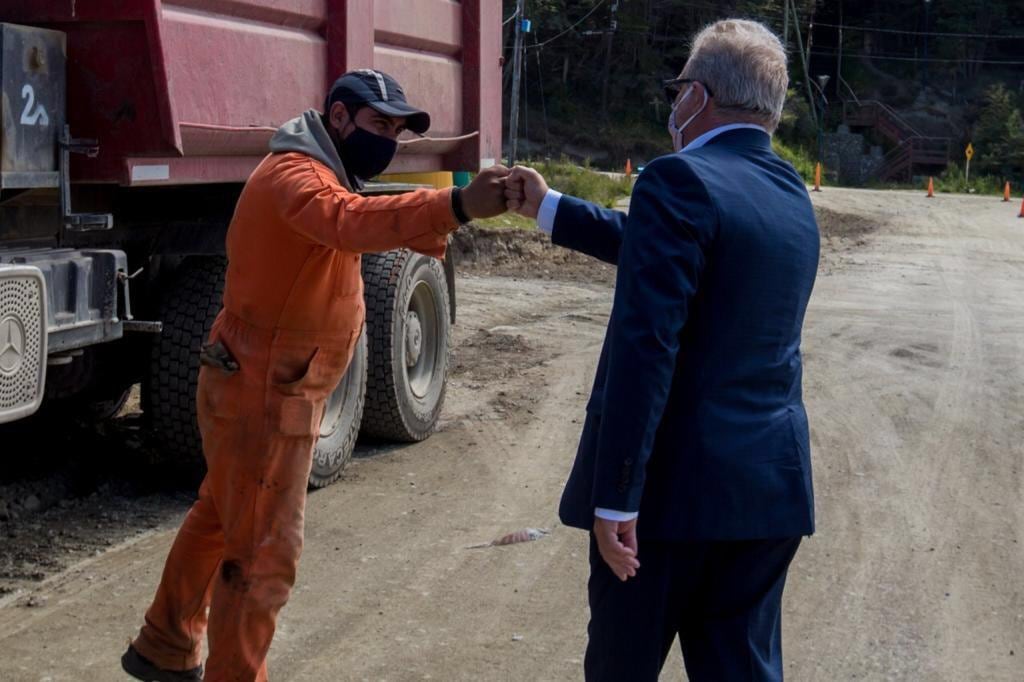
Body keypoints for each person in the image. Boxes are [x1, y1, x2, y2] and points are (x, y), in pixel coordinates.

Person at [122, 69, 509, 682]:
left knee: (224, 515)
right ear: (338, 118)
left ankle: (164, 645)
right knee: (264, 558)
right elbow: (349, 221)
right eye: (379, 124)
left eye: (398, 130)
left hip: (261, 379)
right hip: (265, 391)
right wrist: (458, 203)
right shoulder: (295, 177)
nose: (390, 140)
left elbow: (355, 215)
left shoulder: (323, 172)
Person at [505, 19, 819, 681]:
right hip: (765, 496)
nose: (673, 105)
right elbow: (676, 250)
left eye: (678, 90)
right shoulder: (789, 191)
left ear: (699, 98)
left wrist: (617, 496)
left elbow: (646, 347)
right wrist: (551, 207)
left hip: (668, 505)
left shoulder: (676, 179)